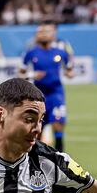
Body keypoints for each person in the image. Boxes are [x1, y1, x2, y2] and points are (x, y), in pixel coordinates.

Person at [19, 22, 74, 152]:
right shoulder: (30, 53)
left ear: (53, 35)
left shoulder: (60, 52)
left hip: (56, 93)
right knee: (37, 128)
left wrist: (69, 73)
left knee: (58, 124)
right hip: (38, 95)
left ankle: (60, 157)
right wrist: (32, 75)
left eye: (46, 32)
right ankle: (36, 161)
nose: (43, 34)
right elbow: (20, 73)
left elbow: (69, 69)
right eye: (41, 32)